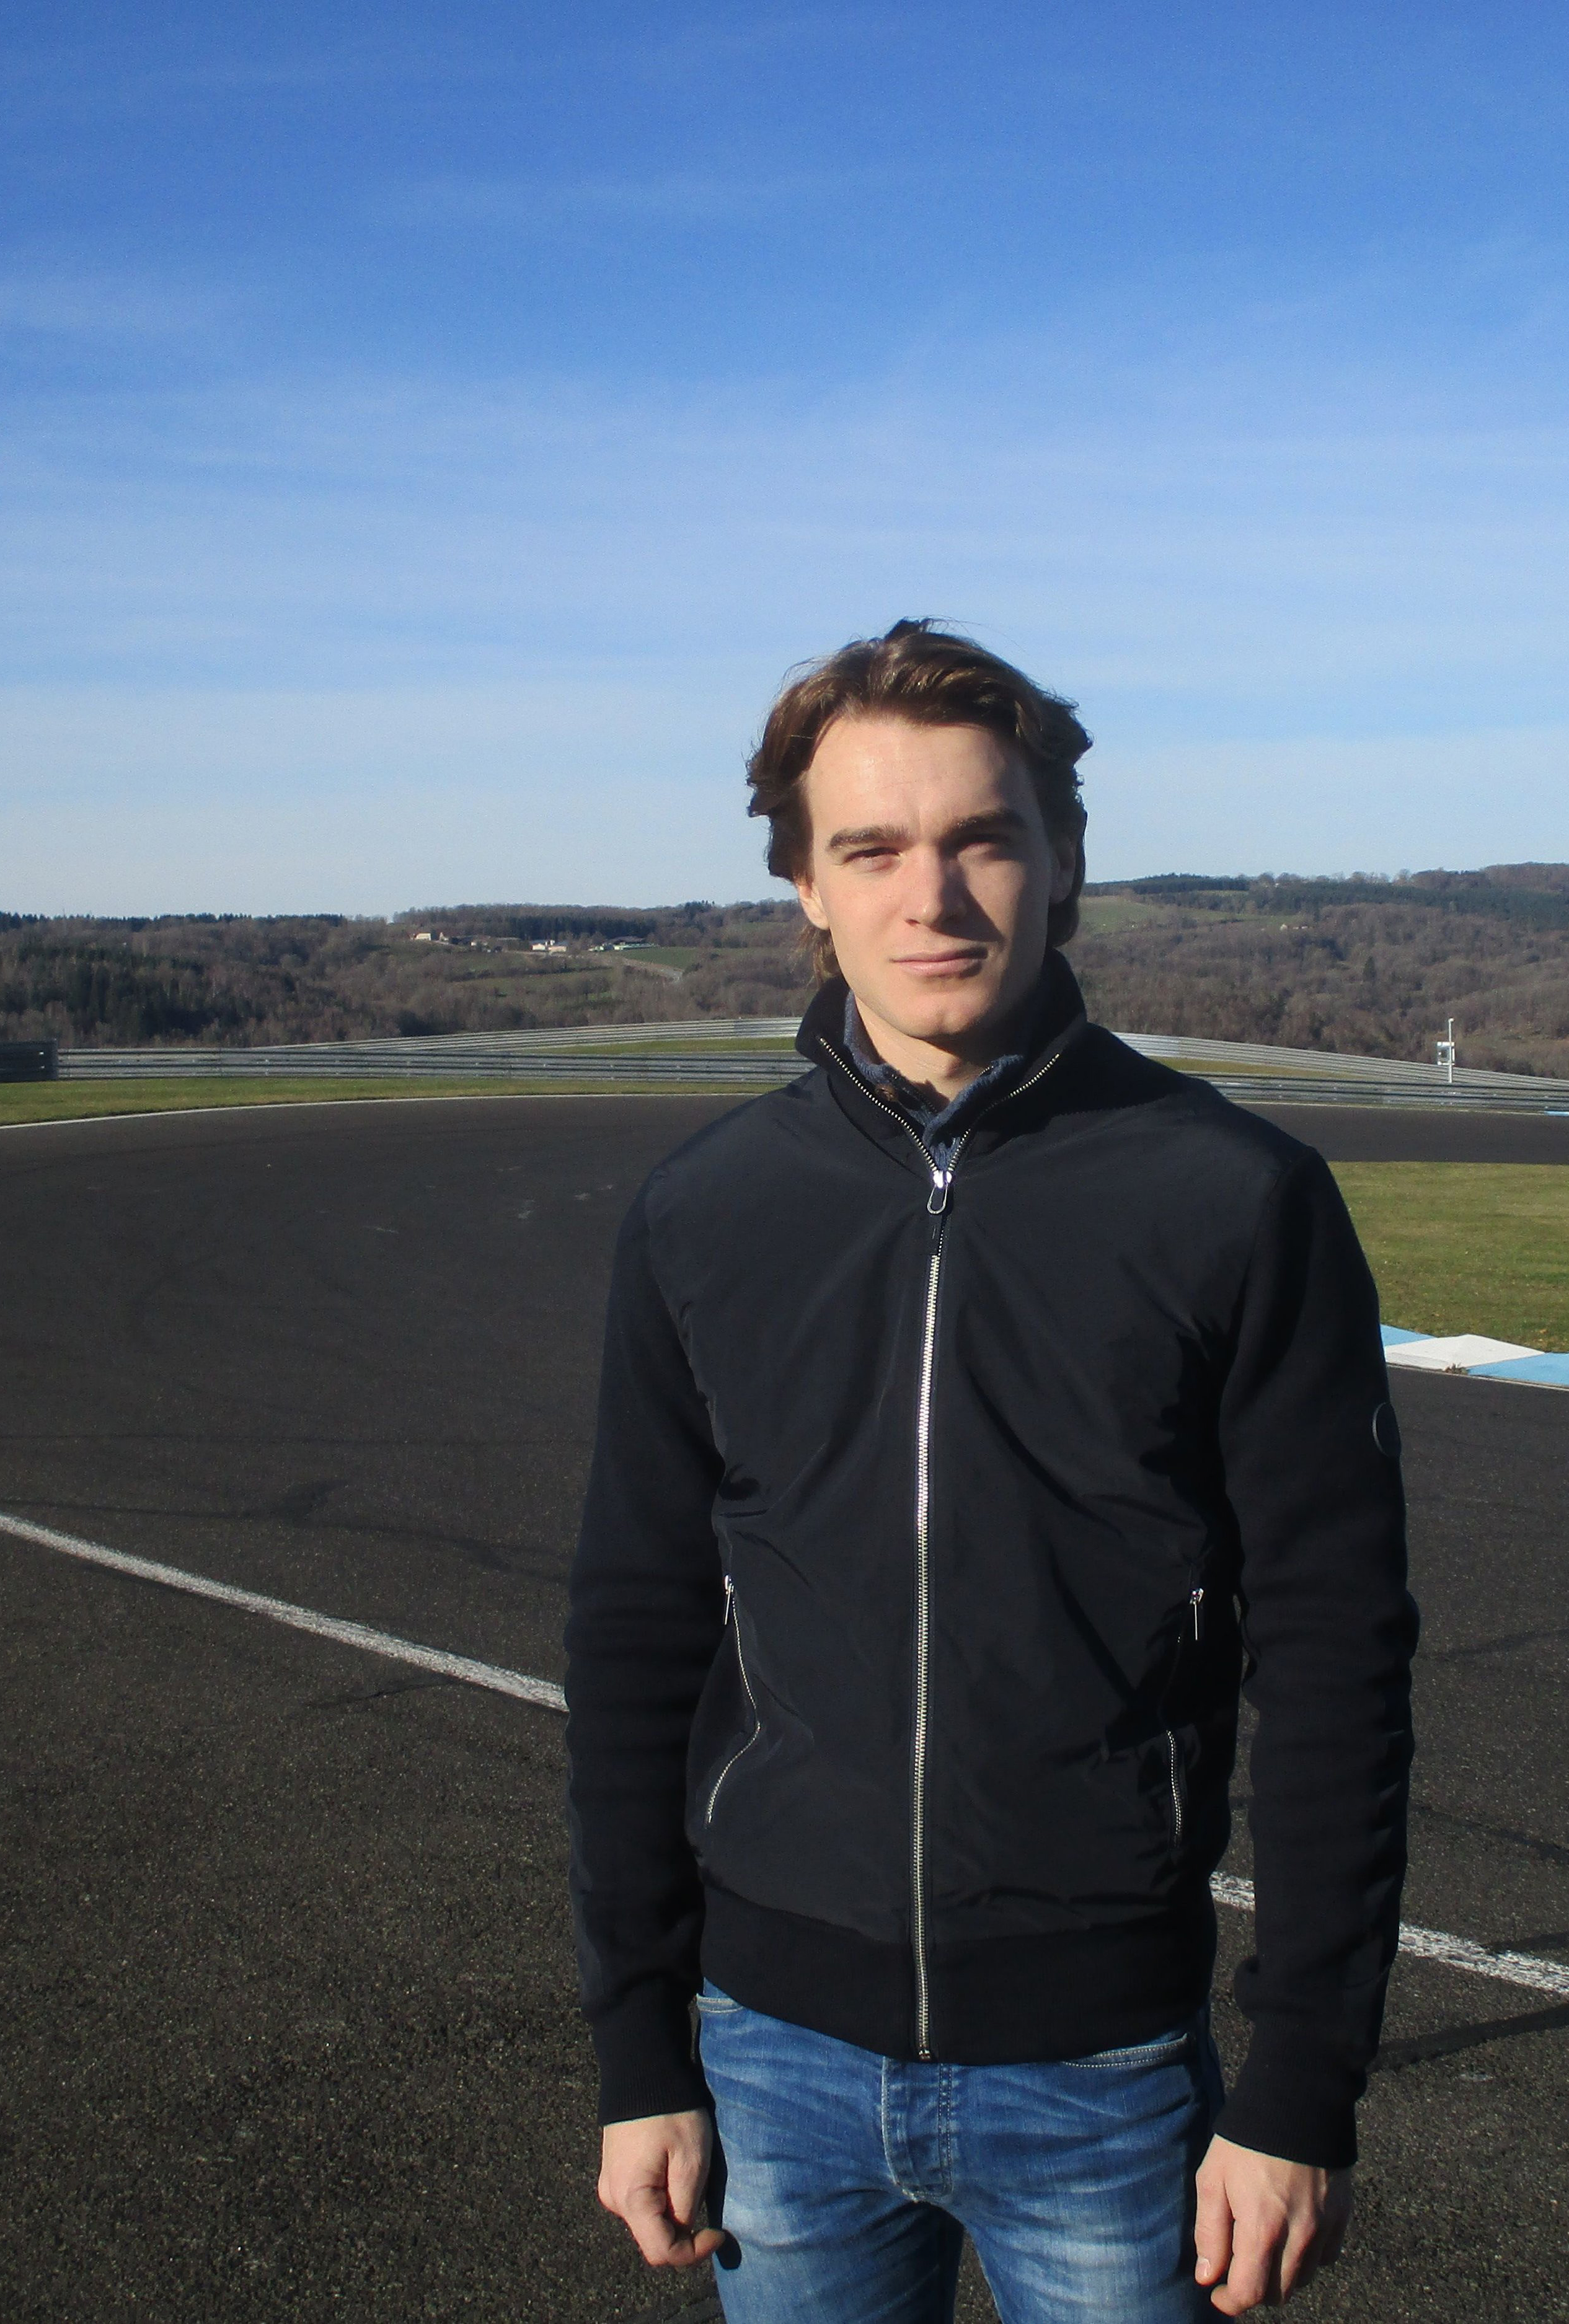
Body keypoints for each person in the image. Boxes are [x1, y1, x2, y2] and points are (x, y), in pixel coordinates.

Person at [564, 620, 1417, 2320]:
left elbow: (1337, 1656)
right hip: (771, 2066)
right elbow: (636, 1639)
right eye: (870, 848)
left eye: (982, 839)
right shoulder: (703, 1217)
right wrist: (638, 2042)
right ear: (803, 883)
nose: (930, 898)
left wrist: (1302, 2080)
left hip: (1101, 2075)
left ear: (1064, 860)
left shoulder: (1233, 1197)